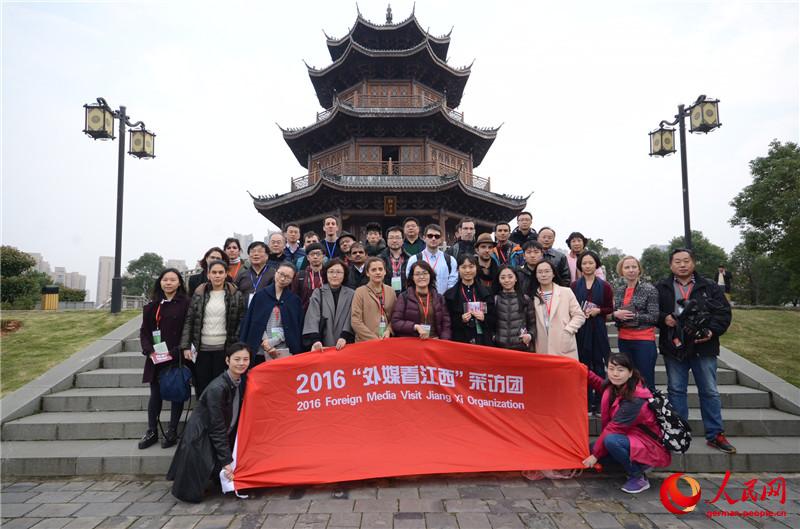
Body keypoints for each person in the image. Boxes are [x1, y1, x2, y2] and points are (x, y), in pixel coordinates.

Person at [656, 248, 735, 454]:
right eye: (677, 262)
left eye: (686, 261)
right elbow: (652, 312)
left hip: (704, 346)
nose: (682, 265)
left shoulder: (709, 286)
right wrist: (664, 318)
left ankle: (715, 434)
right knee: (676, 391)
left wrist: (711, 330)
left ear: (694, 263)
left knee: (709, 391)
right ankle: (679, 434)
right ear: (670, 265)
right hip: (674, 346)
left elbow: (724, 313)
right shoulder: (662, 287)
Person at [167, 342, 251, 503]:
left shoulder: (237, 382)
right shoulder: (217, 388)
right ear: (227, 361)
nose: (241, 363)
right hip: (200, 440)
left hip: (212, 437)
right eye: (237, 359)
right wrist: (226, 462)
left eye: (245, 359)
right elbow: (216, 427)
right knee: (193, 491)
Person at [581, 353, 671, 494]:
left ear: (630, 373)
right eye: (611, 369)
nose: (615, 374)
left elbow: (613, 429)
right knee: (589, 450)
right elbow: (598, 383)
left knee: (609, 442)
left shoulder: (636, 398)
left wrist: (596, 456)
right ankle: (629, 465)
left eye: (620, 370)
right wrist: (580, 369)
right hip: (628, 438)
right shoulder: (613, 387)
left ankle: (638, 475)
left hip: (647, 445)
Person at [138, 268, 191, 450]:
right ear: (160, 282)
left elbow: (189, 330)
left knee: (176, 394)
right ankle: (152, 430)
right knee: (155, 395)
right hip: (156, 357)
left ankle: (172, 430)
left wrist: (177, 351)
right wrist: (149, 351)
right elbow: (145, 331)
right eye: (165, 279)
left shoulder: (186, 303)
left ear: (179, 283)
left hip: (176, 356)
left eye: (172, 280)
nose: (168, 283)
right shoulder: (152, 305)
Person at [181, 260, 245, 399]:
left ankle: (219, 419)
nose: (217, 276)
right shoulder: (199, 293)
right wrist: (186, 346)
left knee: (221, 388)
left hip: (224, 349)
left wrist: (235, 342)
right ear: (208, 274)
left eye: (221, 272)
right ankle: (203, 419)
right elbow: (189, 321)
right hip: (202, 349)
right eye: (214, 272)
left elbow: (241, 320)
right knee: (202, 387)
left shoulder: (235, 294)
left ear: (226, 274)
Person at [571, 251, 613, 414]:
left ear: (596, 265)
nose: (587, 266)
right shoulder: (575, 286)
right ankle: (586, 401)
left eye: (591, 263)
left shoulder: (605, 286)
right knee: (583, 365)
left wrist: (599, 311)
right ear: (580, 266)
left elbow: (610, 308)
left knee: (599, 364)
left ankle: (601, 401)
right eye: (584, 263)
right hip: (581, 329)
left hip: (598, 328)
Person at [239, 262, 304, 364]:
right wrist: (266, 343)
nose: (282, 279)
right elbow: (255, 323)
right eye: (281, 274)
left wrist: (273, 342)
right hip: (261, 349)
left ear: (292, 279)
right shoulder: (260, 296)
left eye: (288, 277)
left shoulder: (294, 300)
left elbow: (293, 327)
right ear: (275, 272)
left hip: (284, 350)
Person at [613, 256, 660, 391]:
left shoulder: (649, 289)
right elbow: (615, 313)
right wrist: (616, 315)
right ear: (621, 271)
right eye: (627, 267)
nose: (631, 270)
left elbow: (654, 317)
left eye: (634, 267)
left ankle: (648, 410)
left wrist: (634, 317)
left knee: (645, 380)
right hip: (624, 340)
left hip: (643, 341)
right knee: (628, 380)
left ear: (639, 270)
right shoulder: (619, 290)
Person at [532, 260, 586, 358]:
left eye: (547, 271)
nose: (543, 275)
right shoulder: (532, 296)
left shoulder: (566, 292)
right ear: (536, 275)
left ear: (553, 274)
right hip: (542, 345)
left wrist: (568, 330)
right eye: (540, 272)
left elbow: (579, 315)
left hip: (563, 341)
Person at [303, 259, 355, 351]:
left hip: (346, 343)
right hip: (323, 344)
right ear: (326, 274)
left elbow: (351, 317)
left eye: (339, 272)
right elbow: (312, 317)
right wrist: (315, 340)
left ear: (344, 275)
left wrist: (344, 336)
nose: (334, 275)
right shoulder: (318, 292)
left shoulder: (352, 294)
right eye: (331, 272)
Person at [391, 260, 452, 340]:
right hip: (413, 343)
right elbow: (396, 322)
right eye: (417, 274)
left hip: (435, 342)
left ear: (430, 275)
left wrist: (443, 341)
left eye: (425, 273)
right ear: (412, 277)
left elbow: (446, 325)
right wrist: (415, 326)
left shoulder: (439, 298)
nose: (421, 277)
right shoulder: (404, 297)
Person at [445, 255, 495, 346]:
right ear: (458, 270)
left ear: (476, 268)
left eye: (471, 267)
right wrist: (461, 320)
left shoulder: (487, 292)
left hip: (483, 340)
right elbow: (447, 320)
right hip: (460, 341)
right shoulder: (450, 295)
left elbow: (494, 317)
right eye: (463, 267)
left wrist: (484, 318)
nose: (467, 270)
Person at [351, 257, 398, 342]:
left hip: (386, 340)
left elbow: (395, 316)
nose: (378, 272)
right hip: (366, 342)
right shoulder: (360, 292)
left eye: (380, 269)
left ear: (385, 272)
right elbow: (356, 321)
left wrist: (389, 330)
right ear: (367, 273)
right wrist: (373, 339)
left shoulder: (391, 291)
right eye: (373, 270)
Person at [405, 224, 458, 295]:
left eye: (437, 236)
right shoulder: (414, 259)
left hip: (443, 302)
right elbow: (411, 283)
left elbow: (452, 285)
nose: (433, 238)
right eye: (430, 236)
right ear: (424, 238)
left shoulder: (450, 260)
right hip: (420, 302)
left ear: (441, 239)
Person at [492, 265, 534, 351]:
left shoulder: (525, 299)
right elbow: (490, 324)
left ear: (516, 279)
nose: (507, 280)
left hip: (521, 347)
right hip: (499, 347)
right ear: (499, 280)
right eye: (503, 278)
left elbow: (532, 324)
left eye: (510, 277)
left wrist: (530, 335)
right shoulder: (495, 299)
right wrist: (494, 337)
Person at [292, 242, 326, 310]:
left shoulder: (327, 274)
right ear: (308, 257)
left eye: (318, 254)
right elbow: (294, 297)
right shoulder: (300, 276)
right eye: (312, 254)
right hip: (304, 313)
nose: (315, 257)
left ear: (323, 256)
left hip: (325, 314)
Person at [380, 225, 410, 293]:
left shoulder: (409, 258)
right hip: (385, 294)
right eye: (391, 238)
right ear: (386, 240)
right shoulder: (380, 258)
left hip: (405, 294)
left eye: (398, 238)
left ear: (403, 240)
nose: (394, 240)